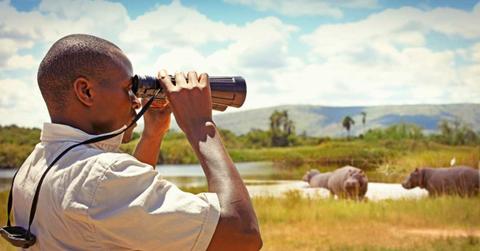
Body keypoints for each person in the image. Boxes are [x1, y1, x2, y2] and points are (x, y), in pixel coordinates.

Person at [11, 34, 262, 250]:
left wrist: (153, 134)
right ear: (86, 91)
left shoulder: (35, 164)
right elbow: (242, 235)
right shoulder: (99, 177)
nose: (136, 101)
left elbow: (123, 215)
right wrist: (201, 126)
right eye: (128, 88)